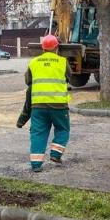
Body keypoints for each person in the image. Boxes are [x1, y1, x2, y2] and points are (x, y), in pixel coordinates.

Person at [25, 35, 72, 172]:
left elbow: (28, 81)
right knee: (63, 129)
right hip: (59, 105)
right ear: (57, 47)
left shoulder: (34, 62)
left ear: (42, 48)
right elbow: (68, 78)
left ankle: (36, 165)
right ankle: (56, 155)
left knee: (38, 133)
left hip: (38, 105)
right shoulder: (63, 62)